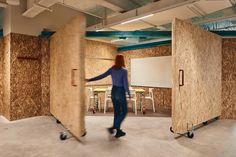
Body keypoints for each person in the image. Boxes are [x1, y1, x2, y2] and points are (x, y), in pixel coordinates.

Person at [86, 55, 130, 138]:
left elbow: (101, 76)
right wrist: (129, 93)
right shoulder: (124, 71)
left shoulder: (112, 69)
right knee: (124, 111)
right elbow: (125, 84)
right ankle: (114, 126)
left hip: (113, 91)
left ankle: (118, 132)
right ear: (122, 61)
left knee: (117, 112)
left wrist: (90, 79)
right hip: (120, 92)